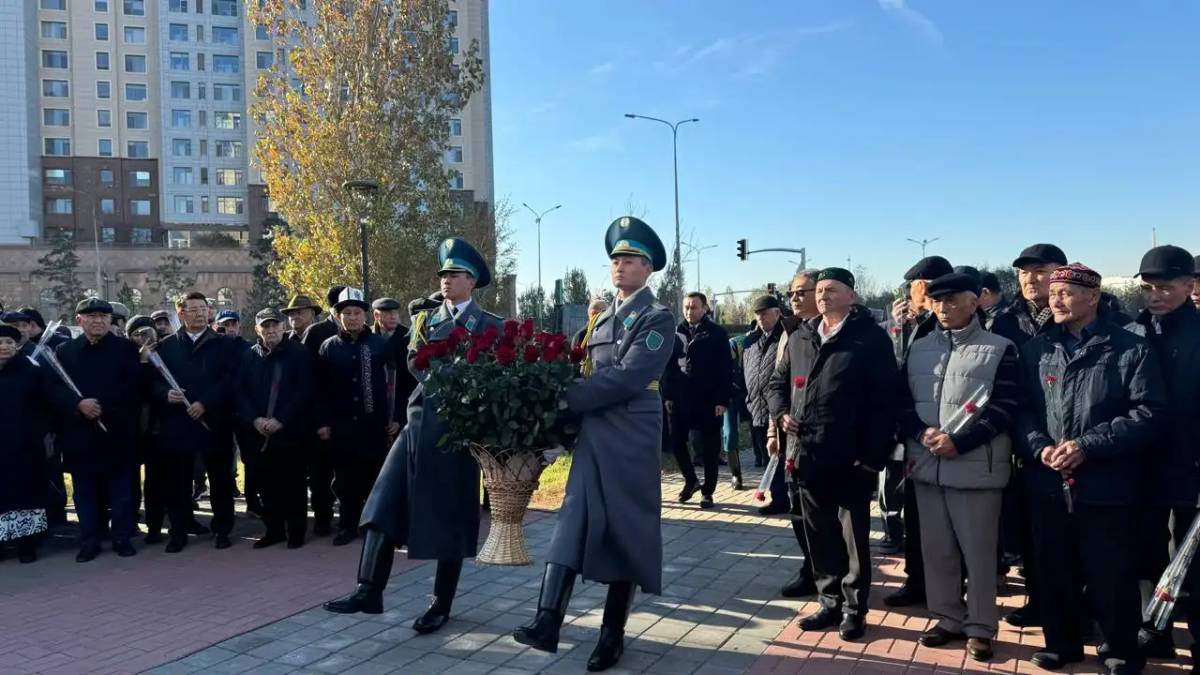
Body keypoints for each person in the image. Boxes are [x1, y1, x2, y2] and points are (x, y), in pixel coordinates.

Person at [513, 216, 676, 672]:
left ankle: (612, 635)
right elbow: (583, 365)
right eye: (615, 260)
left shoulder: (657, 317)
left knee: (626, 531)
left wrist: (564, 399)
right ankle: (547, 621)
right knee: (573, 522)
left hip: (630, 436)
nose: (618, 267)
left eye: (628, 259)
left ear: (648, 268)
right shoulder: (602, 317)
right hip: (595, 434)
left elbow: (629, 377)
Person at [326, 239, 503, 636]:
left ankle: (441, 604)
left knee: (453, 520)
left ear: (471, 280)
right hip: (420, 424)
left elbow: (495, 376)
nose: (445, 281)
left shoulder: (492, 325)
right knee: (381, 504)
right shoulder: (425, 322)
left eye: (454, 275)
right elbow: (414, 364)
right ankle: (368, 588)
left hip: (459, 434)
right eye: (442, 275)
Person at [1014, 263, 1164, 674]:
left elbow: (1148, 411)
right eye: (1053, 293)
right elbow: (1024, 410)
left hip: (1106, 483)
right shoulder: (1039, 349)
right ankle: (1061, 645)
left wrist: (1087, 446)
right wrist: (1040, 448)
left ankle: (1119, 648)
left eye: (1064, 293)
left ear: (1092, 297)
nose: (1054, 300)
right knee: (1053, 567)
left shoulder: (1129, 348)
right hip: (1047, 481)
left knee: (1111, 571)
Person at [766, 267, 899, 641]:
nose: (823, 295)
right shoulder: (802, 336)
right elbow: (777, 383)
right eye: (819, 290)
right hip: (807, 456)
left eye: (832, 290)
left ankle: (855, 610)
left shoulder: (870, 339)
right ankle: (829, 603)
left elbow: (885, 403)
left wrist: (872, 457)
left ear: (851, 296)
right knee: (819, 536)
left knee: (853, 538)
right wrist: (781, 413)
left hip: (851, 458)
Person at [898, 272, 1021, 663]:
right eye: (937, 301)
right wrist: (922, 432)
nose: (944, 307)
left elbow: (1005, 407)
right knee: (937, 550)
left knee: (979, 553)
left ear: (977, 300)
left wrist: (960, 441)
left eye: (953, 299)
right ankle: (946, 617)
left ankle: (981, 627)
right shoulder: (919, 348)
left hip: (976, 467)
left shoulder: (1000, 347)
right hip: (927, 462)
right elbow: (903, 402)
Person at [1125, 246, 1200, 664]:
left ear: (1189, 286)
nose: (1155, 296)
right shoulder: (1134, 331)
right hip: (1141, 466)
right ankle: (1154, 630)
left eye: (1166, 288)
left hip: (1189, 464)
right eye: (1149, 288)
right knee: (1147, 555)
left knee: (1193, 560)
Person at [988, 243, 1067, 628]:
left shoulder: (1083, 315)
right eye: (1023, 272)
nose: (1030, 279)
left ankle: (1082, 609)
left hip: (1070, 438)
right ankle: (1039, 599)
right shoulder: (1006, 321)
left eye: (1039, 270)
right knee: (1030, 529)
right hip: (1021, 438)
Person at [884, 255, 953, 606]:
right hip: (914, 434)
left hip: (948, 435)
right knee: (914, 510)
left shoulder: (948, 325)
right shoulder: (916, 325)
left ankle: (946, 588)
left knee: (946, 520)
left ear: (923, 286)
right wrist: (899, 328)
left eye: (912, 286)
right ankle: (918, 581)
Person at [52, 298, 142, 562]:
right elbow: (55, 389)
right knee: (85, 492)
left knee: (122, 491)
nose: (98, 321)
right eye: (91, 316)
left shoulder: (125, 349)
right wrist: (78, 405)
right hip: (80, 434)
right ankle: (90, 539)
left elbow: (135, 387)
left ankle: (122, 538)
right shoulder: (65, 351)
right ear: (79, 320)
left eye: (103, 316)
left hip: (117, 431)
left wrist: (103, 406)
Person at [152, 291, 242, 553]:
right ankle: (178, 531)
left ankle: (223, 529)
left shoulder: (224, 344)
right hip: (178, 424)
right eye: (192, 309)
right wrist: (164, 394)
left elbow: (230, 380)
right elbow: (152, 382)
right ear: (180, 313)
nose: (200, 313)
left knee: (220, 479)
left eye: (203, 308)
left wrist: (206, 403)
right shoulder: (167, 346)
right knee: (178, 481)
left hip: (214, 422)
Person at [315, 287, 396, 546]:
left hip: (373, 425)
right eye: (347, 313)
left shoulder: (379, 345)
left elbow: (394, 383)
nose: (352, 318)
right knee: (345, 479)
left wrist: (394, 418)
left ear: (366, 315)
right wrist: (323, 422)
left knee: (374, 476)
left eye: (357, 312)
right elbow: (320, 389)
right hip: (341, 426)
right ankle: (348, 525)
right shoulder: (328, 347)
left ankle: (373, 524)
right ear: (338, 316)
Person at [235, 308, 314, 549]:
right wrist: (255, 420)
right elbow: (240, 393)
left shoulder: (299, 354)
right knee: (266, 487)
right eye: (265, 327)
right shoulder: (249, 357)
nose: (270, 331)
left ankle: (296, 532)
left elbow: (304, 391)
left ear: (283, 327)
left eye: (274, 326)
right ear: (257, 329)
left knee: (294, 485)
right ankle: (274, 530)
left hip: (290, 432)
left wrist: (281, 419)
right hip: (259, 434)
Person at [769, 269, 820, 597]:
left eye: (802, 292)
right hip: (792, 440)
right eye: (791, 293)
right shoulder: (793, 332)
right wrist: (779, 420)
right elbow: (776, 383)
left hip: (828, 444)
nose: (794, 299)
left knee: (825, 516)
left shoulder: (849, 333)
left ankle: (833, 577)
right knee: (797, 510)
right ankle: (811, 568)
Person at [667, 292, 733, 508]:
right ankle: (690, 480)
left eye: (694, 307)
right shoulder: (676, 332)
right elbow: (668, 365)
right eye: (686, 307)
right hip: (681, 397)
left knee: (709, 448)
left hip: (708, 399)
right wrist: (667, 394)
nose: (689, 311)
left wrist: (722, 400)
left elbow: (726, 369)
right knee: (676, 441)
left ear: (704, 308)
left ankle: (708, 491)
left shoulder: (716, 333)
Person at [0, 322, 53, 564]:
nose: (4, 347)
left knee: (26, 495)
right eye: (0, 342)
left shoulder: (30, 370)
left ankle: (27, 545)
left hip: (25, 446)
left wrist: (37, 433)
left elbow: (45, 405)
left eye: (9, 342)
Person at [301, 286, 346, 535]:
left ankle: (349, 518)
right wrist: (319, 419)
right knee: (321, 474)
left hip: (348, 417)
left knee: (347, 472)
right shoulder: (317, 333)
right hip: (322, 416)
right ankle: (322, 519)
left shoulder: (359, 331)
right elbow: (309, 378)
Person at [743, 295, 786, 509]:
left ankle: (782, 498)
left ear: (777, 313)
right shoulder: (754, 342)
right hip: (757, 408)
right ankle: (778, 496)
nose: (760, 318)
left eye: (765, 313)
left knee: (780, 455)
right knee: (768, 455)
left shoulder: (785, 339)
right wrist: (749, 399)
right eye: (757, 314)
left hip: (778, 409)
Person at [371, 297, 418, 431]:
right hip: (373, 411)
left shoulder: (409, 337)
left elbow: (411, 383)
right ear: (376, 315)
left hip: (401, 410)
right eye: (387, 313)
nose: (393, 317)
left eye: (395, 313)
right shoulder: (368, 337)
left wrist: (399, 417)